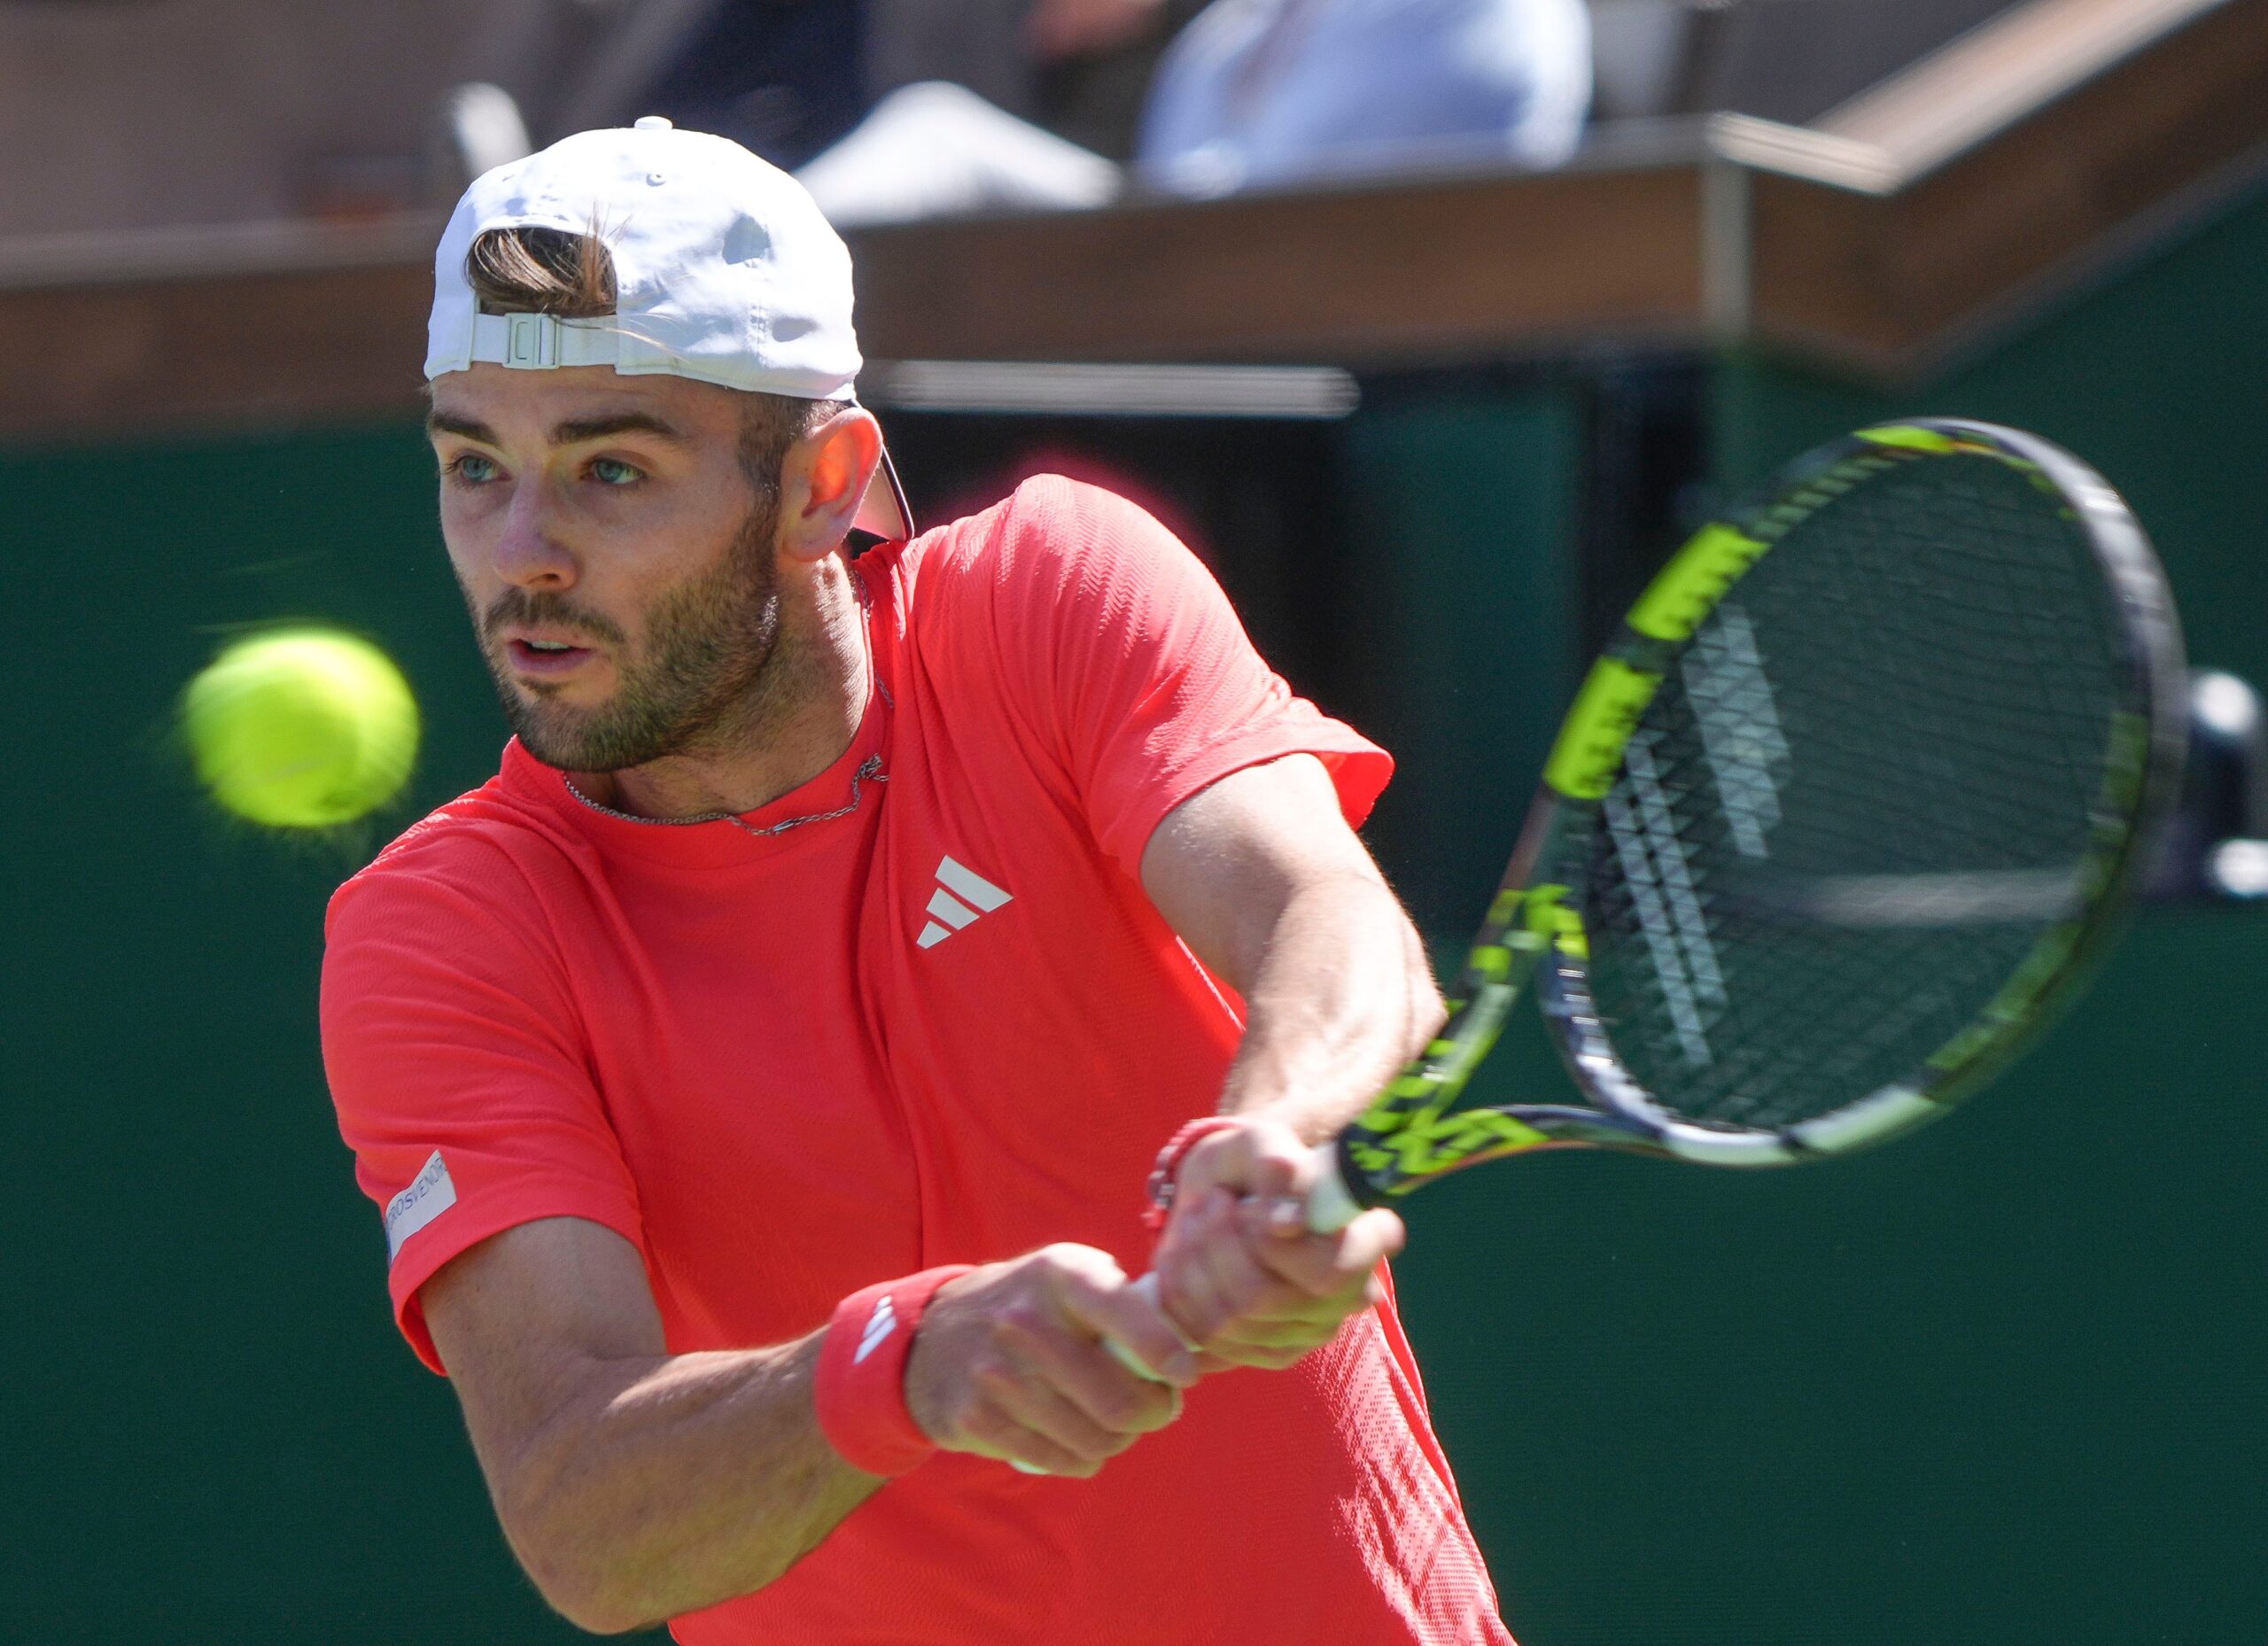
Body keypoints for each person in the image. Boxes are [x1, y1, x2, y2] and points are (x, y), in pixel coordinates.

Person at [322, 116, 1513, 1643]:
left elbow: (1324, 916)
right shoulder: (444, 931)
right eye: (473, 465)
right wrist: (901, 1363)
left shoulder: (1048, 593)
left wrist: (1274, 1138)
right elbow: (584, 1516)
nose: (523, 551)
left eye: (612, 468)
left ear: (821, 484)